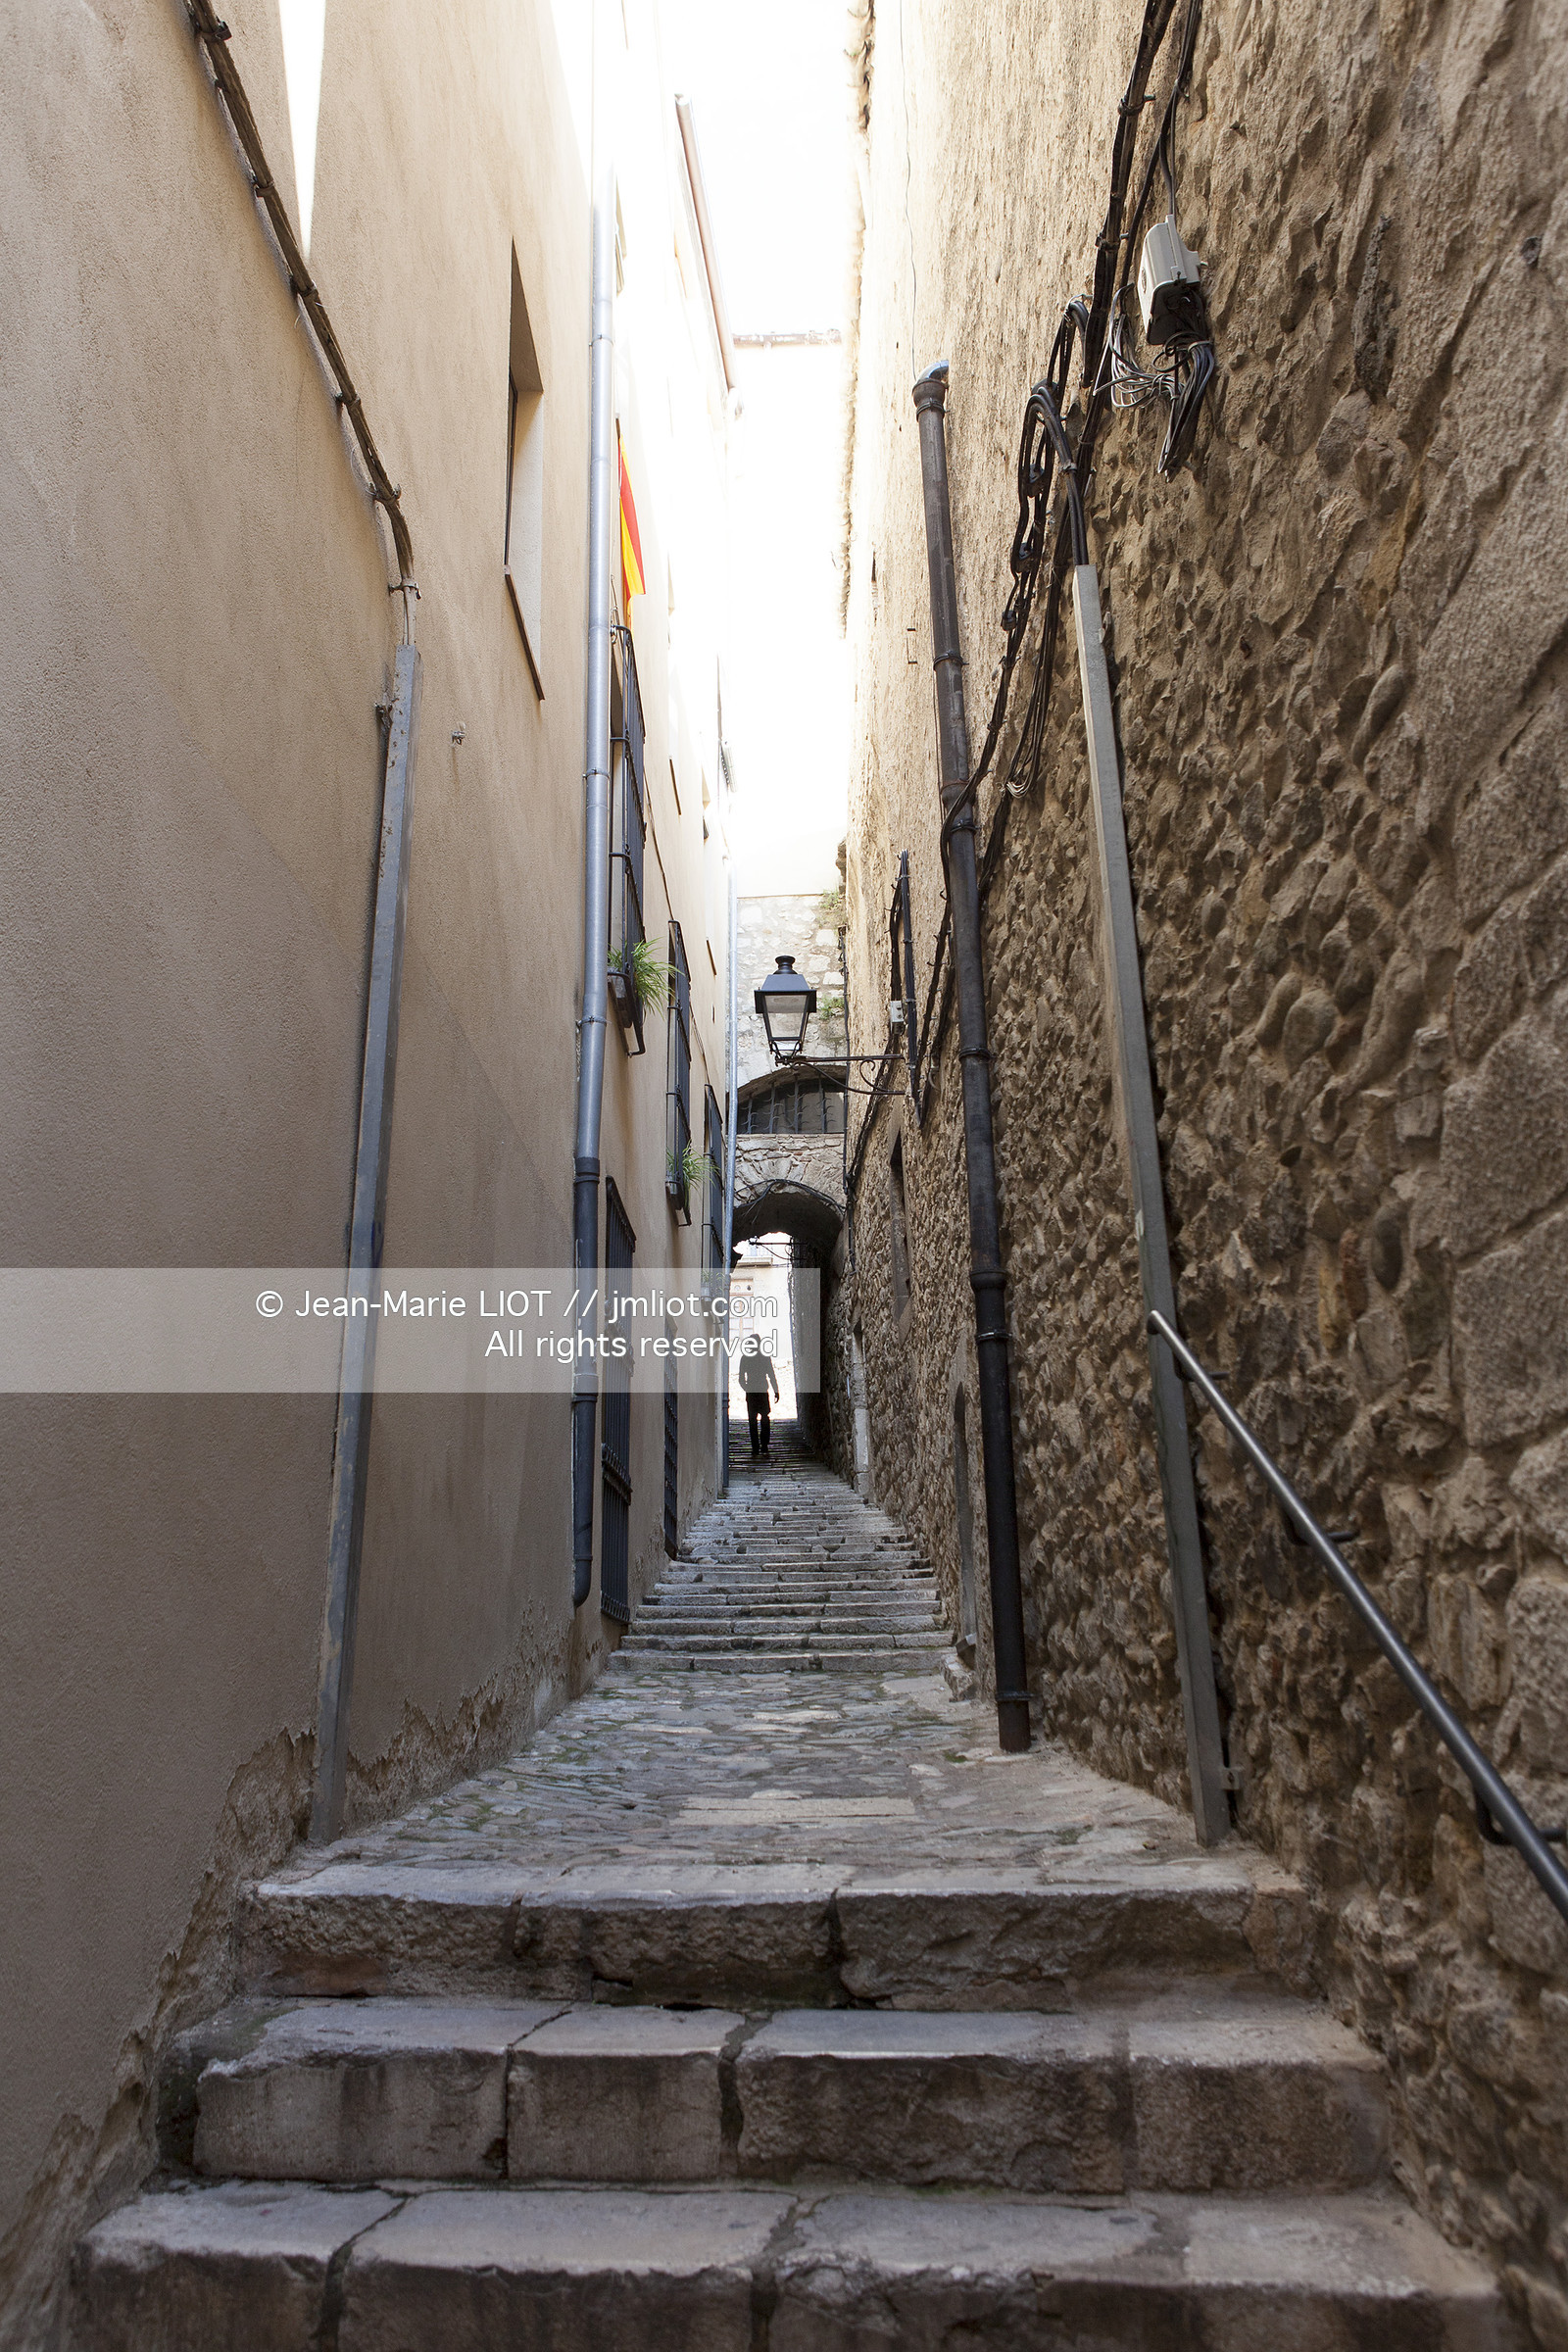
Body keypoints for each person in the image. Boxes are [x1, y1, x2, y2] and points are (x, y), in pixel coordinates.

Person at [738, 1333, 780, 1458]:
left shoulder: (745, 1358)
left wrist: (747, 1388)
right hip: (762, 1390)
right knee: (765, 1417)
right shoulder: (765, 1357)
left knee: (752, 1419)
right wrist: (776, 1390)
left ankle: (755, 1447)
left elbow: (741, 1378)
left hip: (752, 1392)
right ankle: (764, 1445)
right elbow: (771, 1375)